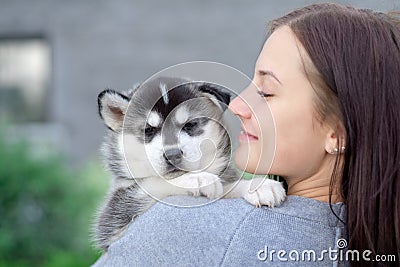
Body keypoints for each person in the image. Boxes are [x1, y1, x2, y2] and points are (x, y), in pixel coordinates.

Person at [92, 3, 399, 266]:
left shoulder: (187, 225)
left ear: (337, 134)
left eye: (266, 91)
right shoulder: (376, 239)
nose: (236, 105)